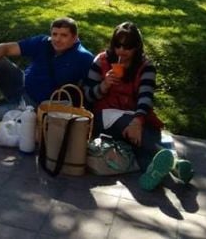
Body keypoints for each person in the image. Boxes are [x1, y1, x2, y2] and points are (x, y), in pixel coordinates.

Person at [82, 22, 194, 191]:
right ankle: (174, 161)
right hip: (104, 116)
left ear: (137, 47)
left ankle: (158, 171)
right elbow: (88, 95)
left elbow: (145, 98)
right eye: (117, 45)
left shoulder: (145, 67)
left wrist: (137, 121)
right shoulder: (102, 61)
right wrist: (104, 85)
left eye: (127, 47)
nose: (121, 51)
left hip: (134, 115)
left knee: (137, 140)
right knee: (136, 132)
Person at [0, 17, 94, 124]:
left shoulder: (83, 58)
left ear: (75, 38)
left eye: (64, 35)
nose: (57, 39)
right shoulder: (43, 43)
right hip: (20, 85)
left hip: (36, 106)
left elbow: (89, 91)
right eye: (54, 34)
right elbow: (5, 48)